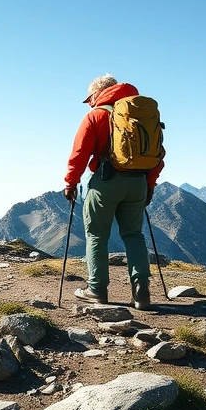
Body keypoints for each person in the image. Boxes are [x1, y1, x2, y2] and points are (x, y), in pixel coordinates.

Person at [64, 74, 164, 309]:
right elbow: (158, 156)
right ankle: (142, 292)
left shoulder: (96, 115)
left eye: (90, 97)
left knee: (97, 234)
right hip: (138, 182)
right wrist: (149, 184)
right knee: (134, 235)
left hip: (106, 182)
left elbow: (79, 154)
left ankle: (97, 289)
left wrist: (70, 183)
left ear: (99, 93)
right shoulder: (143, 115)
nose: (89, 102)